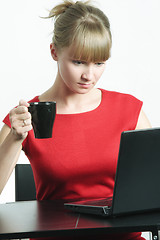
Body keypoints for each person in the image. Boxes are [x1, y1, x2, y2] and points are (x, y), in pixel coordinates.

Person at [0, 0, 151, 239]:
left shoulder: (128, 110)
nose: (89, 75)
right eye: (78, 61)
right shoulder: (28, 115)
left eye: (99, 63)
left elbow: (153, 184)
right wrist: (13, 139)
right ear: (54, 52)